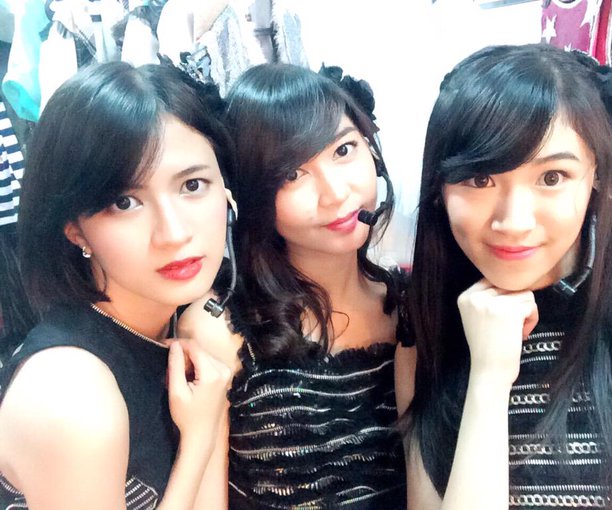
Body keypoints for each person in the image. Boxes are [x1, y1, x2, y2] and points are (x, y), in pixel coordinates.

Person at [396, 44, 612, 509]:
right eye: (480, 180)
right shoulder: (427, 339)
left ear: (595, 176)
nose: (513, 221)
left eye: (552, 178)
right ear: (439, 189)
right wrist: (489, 378)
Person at [0, 62, 234, 509]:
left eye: (192, 184)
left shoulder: (172, 327)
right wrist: (199, 438)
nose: (173, 233)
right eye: (125, 202)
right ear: (74, 229)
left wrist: (211, 420)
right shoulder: (71, 393)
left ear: (227, 190)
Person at [179, 63, 407, 509]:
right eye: (292, 175)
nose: (335, 193)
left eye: (343, 150)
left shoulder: (413, 305)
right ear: (249, 194)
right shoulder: (220, 331)